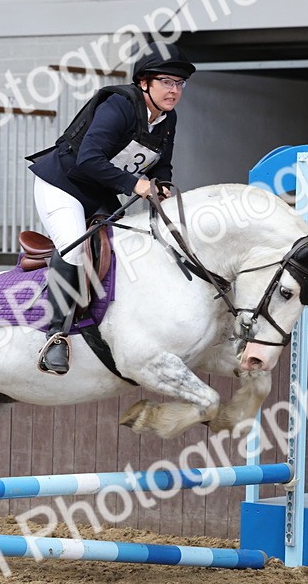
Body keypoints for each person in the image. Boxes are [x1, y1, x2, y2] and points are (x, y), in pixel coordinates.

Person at [26, 42, 195, 375]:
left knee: (129, 248)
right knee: (74, 247)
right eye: (166, 81)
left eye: (179, 84)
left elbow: (163, 166)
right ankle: (55, 336)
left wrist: (159, 183)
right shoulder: (119, 106)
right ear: (144, 82)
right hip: (63, 186)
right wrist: (136, 185)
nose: (173, 90)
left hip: (100, 192)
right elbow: (89, 159)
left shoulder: (167, 119)